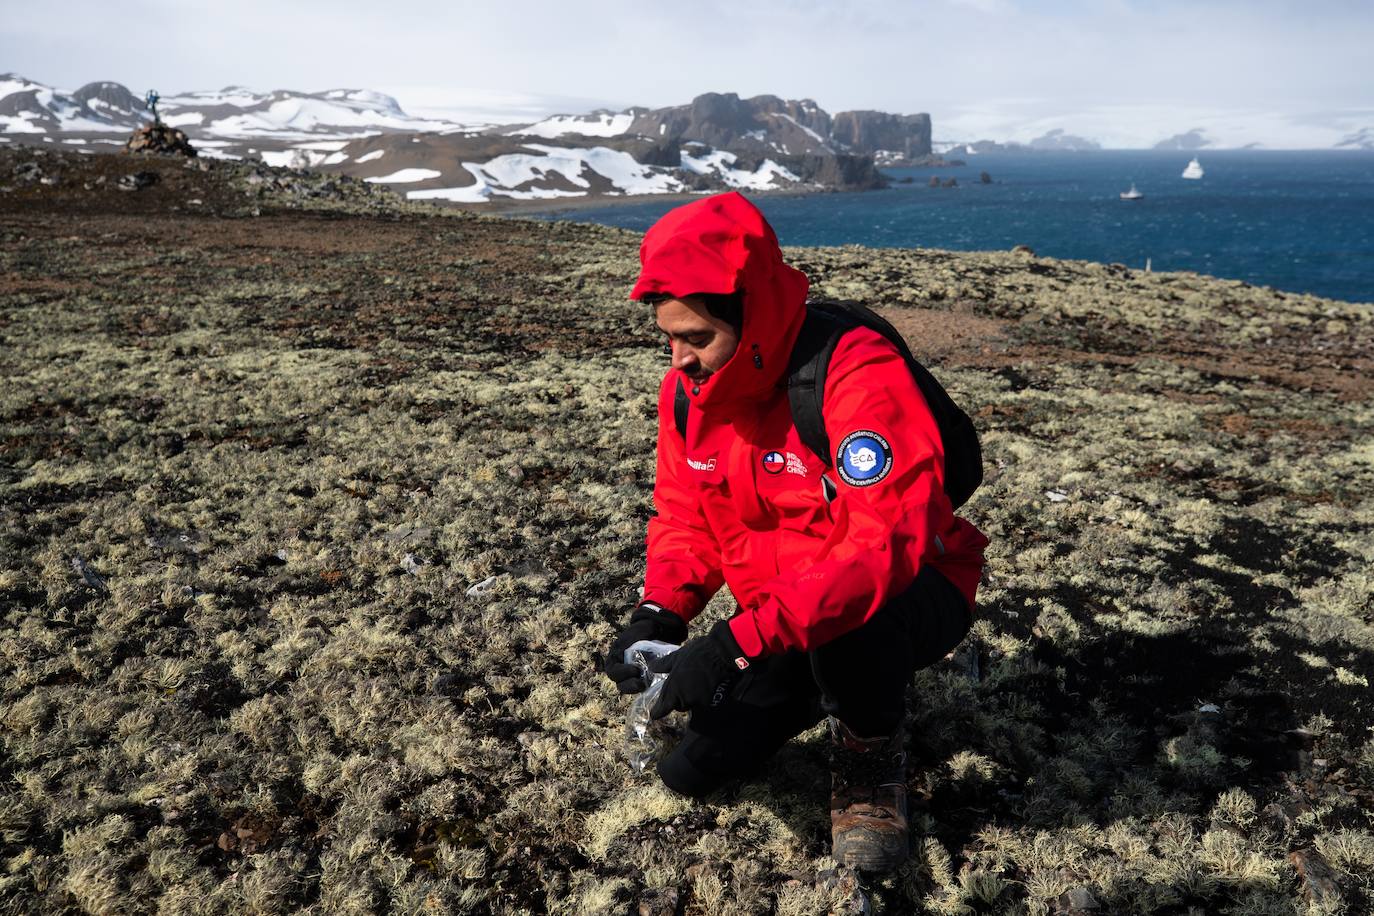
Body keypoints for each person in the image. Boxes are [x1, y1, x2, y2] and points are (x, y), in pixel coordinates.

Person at [603, 191, 988, 873]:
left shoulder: (854, 371)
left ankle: (870, 753)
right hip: (786, 611)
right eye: (669, 337)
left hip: (912, 588)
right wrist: (660, 612)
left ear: (749, 317)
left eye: (697, 339)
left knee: (853, 627)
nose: (679, 360)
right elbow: (685, 515)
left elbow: (882, 546)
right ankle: (815, 684)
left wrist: (734, 645)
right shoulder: (686, 397)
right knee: (693, 770)